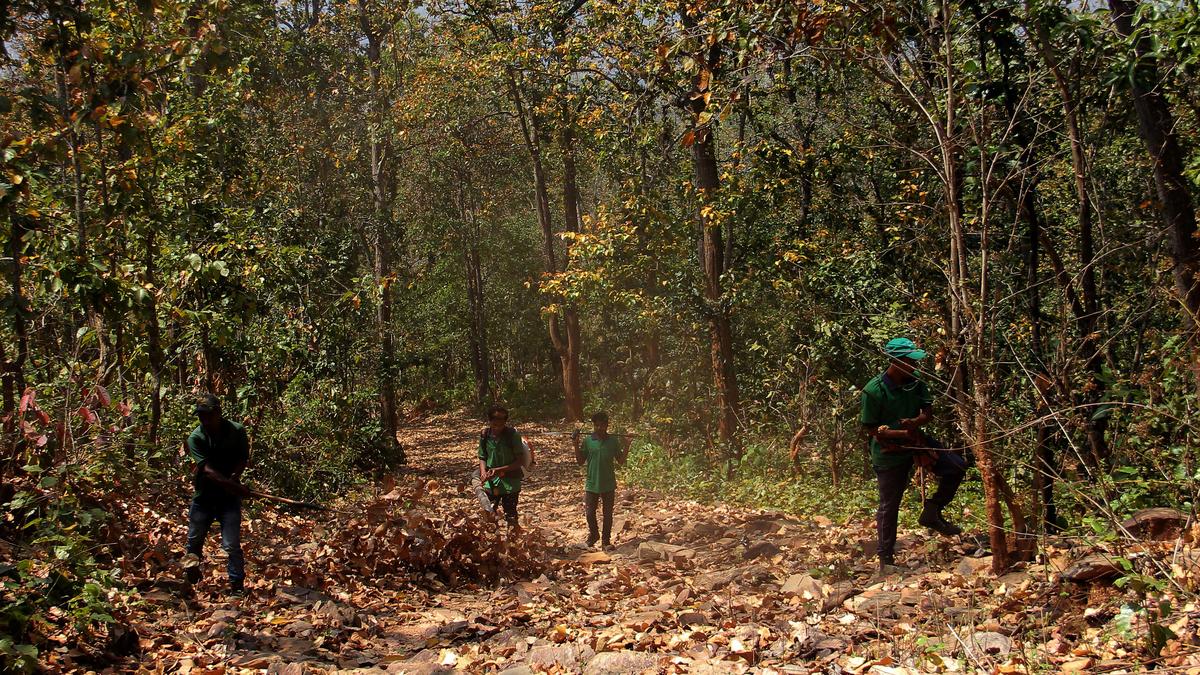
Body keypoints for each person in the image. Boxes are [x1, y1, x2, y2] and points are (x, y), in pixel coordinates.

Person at [860, 337, 967, 574]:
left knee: (956, 466)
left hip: (915, 440)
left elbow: (927, 412)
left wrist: (915, 423)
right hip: (889, 452)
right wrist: (895, 433)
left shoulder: (916, 383)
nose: (914, 366)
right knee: (890, 504)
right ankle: (885, 558)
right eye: (909, 361)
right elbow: (870, 428)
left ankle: (932, 510)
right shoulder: (873, 391)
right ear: (896, 361)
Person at [184, 393, 251, 595]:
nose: (204, 420)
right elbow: (206, 470)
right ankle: (191, 576)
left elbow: (243, 458)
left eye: (208, 415)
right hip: (204, 497)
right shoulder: (196, 437)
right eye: (201, 416)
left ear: (219, 413)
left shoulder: (236, 431)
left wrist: (234, 479)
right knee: (194, 540)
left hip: (228, 500)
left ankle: (237, 585)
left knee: (231, 544)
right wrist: (232, 485)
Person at [573, 411, 632, 549]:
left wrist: (627, 445)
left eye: (602, 425)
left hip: (608, 483)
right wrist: (575, 445)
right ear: (594, 426)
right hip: (592, 483)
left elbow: (621, 461)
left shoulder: (613, 441)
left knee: (607, 514)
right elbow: (580, 461)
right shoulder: (588, 441)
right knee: (589, 513)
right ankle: (594, 534)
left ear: (607, 425)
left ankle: (606, 540)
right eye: (596, 425)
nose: (599, 428)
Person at [477, 405, 530, 529]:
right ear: (489, 422)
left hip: (510, 482)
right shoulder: (485, 435)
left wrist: (499, 470)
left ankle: (514, 542)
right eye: (495, 425)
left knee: (510, 515)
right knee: (489, 514)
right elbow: (482, 456)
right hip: (490, 482)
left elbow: (520, 461)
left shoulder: (512, 436)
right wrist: (483, 472)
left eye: (501, 425)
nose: (498, 428)